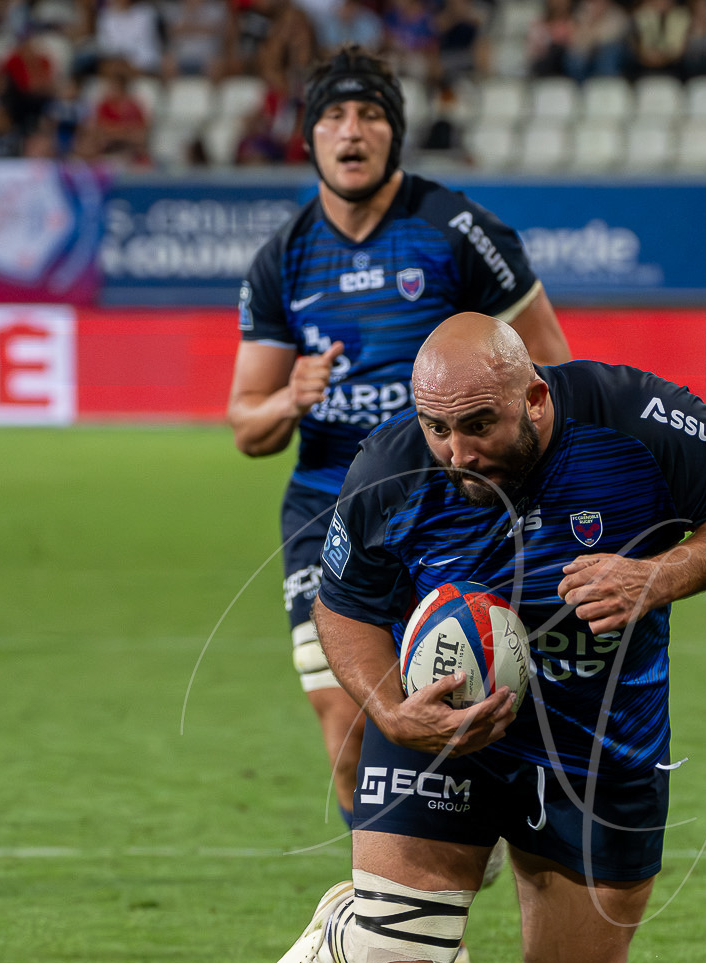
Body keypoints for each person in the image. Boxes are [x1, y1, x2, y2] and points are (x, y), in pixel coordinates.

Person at [252, 313, 706, 963]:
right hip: (446, 727)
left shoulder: (634, 418)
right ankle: (344, 935)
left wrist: (660, 574)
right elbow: (343, 606)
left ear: (535, 397)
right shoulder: (391, 468)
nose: (457, 449)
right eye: (439, 427)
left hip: (599, 741)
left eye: (479, 425)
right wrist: (389, 706)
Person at [229, 46, 571, 848]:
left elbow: (551, 366)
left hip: (454, 501)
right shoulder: (282, 259)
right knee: (345, 718)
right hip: (328, 506)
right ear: (309, 137)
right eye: (335, 118)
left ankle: (450, 864)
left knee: (469, 696)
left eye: (372, 115)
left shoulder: (455, 229)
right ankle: (393, 905)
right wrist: (291, 396)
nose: (353, 132)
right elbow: (247, 424)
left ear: (396, 133)